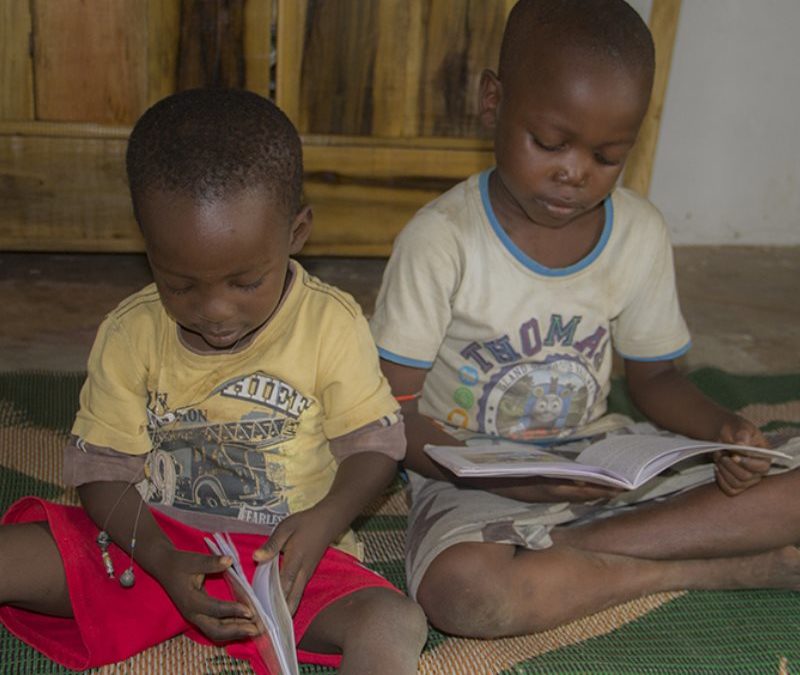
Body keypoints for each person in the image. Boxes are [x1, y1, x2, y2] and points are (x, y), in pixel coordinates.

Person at [370, 0, 800, 639]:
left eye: (607, 155)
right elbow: (387, 412)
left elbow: (654, 380)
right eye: (548, 142)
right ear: (494, 101)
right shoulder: (442, 241)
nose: (573, 173)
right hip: (467, 468)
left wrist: (724, 430)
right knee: (465, 594)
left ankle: (576, 551)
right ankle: (706, 567)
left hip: (601, 464)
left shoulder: (640, 232)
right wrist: (512, 484)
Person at [0, 88, 427, 674]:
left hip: (285, 563)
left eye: (245, 281)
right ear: (146, 244)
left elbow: (375, 446)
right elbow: (104, 471)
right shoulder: (130, 333)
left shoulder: (332, 322)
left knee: (392, 619)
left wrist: (325, 520)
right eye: (180, 285)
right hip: (150, 545)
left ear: (296, 233)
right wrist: (158, 554)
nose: (215, 310)